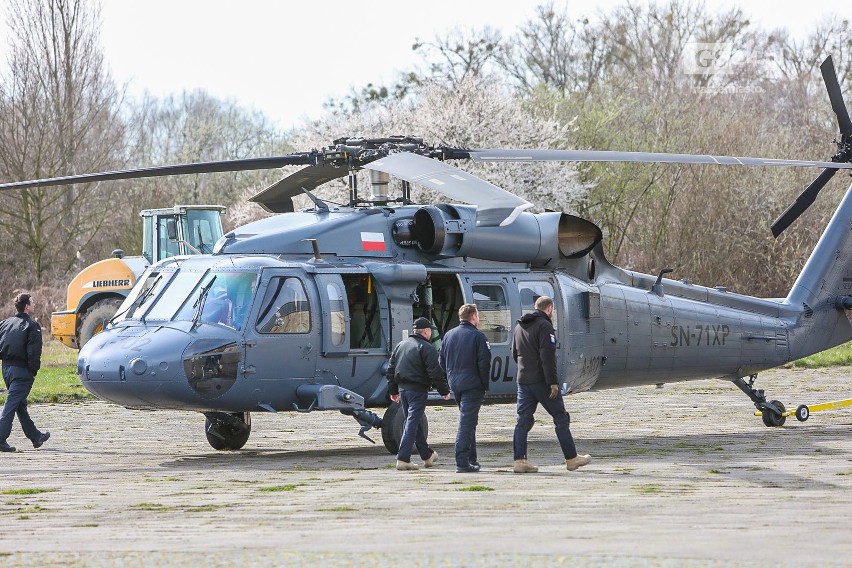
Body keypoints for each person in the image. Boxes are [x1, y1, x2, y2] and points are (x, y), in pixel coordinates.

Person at [511, 295, 590, 473]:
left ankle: (520, 461)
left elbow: (515, 354)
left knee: (523, 420)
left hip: (523, 381)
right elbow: (548, 356)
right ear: (549, 309)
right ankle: (571, 458)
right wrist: (553, 382)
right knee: (560, 418)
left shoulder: (519, 327)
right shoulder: (545, 326)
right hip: (542, 381)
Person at [386, 317, 451, 471]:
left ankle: (427, 455)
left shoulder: (401, 345)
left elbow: (391, 370)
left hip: (403, 389)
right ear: (427, 331)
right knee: (412, 422)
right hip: (417, 390)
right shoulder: (426, 347)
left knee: (413, 421)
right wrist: (444, 391)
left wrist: (393, 390)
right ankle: (403, 458)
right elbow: (435, 372)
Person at [439, 304, 491, 473]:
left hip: (456, 384)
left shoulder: (448, 335)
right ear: (473, 317)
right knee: (466, 423)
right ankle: (462, 461)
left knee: (469, 421)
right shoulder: (478, 337)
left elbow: (441, 362)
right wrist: (484, 385)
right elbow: (484, 364)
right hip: (472, 385)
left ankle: (471, 458)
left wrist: (450, 378)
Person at [0, 293, 50, 453]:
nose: (34, 305)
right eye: (32, 303)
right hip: (22, 371)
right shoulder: (32, 325)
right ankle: (0, 438)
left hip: (6, 369)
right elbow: (34, 352)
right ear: (27, 306)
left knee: (19, 404)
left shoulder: (5, 323)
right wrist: (33, 371)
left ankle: (35, 436)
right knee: (11, 405)